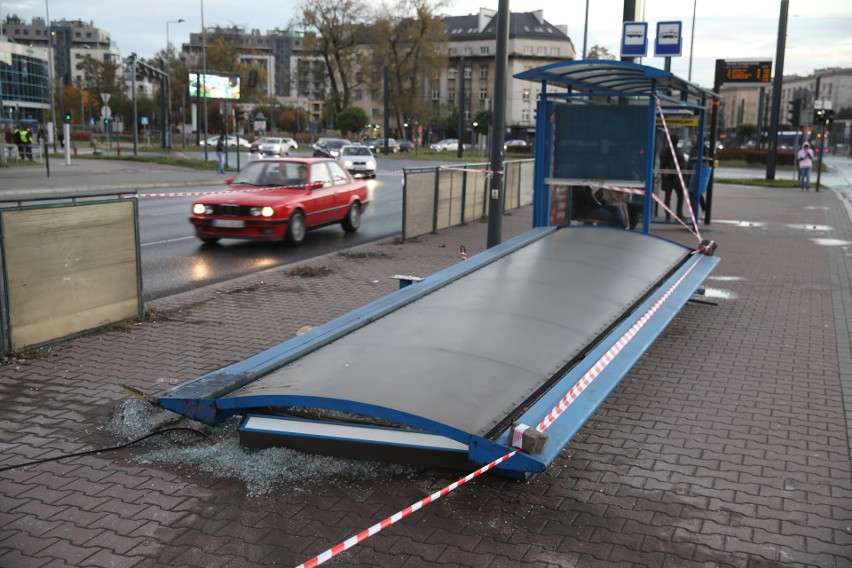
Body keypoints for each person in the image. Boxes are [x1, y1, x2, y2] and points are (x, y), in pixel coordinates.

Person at [659, 134, 685, 221]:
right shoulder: (679, 152)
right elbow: (683, 165)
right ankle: (679, 215)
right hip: (677, 178)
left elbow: (661, 164)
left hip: (667, 177)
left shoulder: (664, 151)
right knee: (680, 196)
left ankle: (668, 215)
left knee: (667, 197)